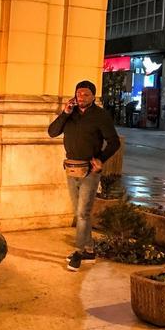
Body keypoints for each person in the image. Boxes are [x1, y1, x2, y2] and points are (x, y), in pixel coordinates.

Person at [48, 80, 121, 272]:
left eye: (86, 94)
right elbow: (52, 132)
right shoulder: (69, 114)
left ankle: (79, 253)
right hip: (71, 169)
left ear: (93, 97)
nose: (81, 97)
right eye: (79, 94)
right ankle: (89, 250)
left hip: (90, 170)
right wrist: (65, 113)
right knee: (79, 213)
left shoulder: (100, 116)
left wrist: (101, 159)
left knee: (82, 213)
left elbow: (114, 142)